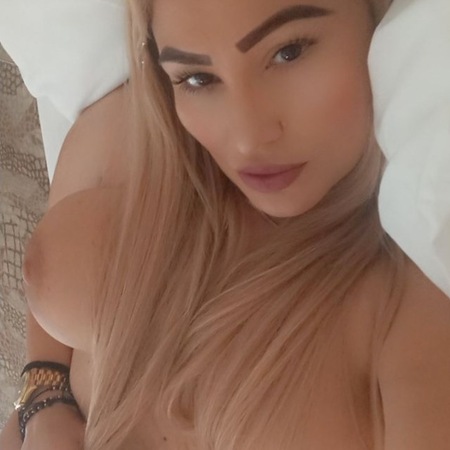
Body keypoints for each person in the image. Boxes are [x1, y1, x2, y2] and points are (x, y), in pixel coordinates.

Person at [1, 0, 450, 449]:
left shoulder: (410, 301)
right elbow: (47, 332)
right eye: (198, 78)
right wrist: (43, 400)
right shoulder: (128, 140)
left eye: (289, 52)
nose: (249, 138)